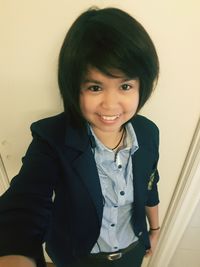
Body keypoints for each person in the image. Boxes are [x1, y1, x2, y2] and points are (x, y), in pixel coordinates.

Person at [0, 6, 160, 267]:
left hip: (133, 251)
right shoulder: (51, 139)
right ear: (74, 87)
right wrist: (14, 254)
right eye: (95, 87)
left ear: (142, 85)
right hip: (78, 258)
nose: (110, 104)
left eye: (125, 86)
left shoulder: (148, 132)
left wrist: (155, 229)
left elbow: (151, 185)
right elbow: (23, 206)